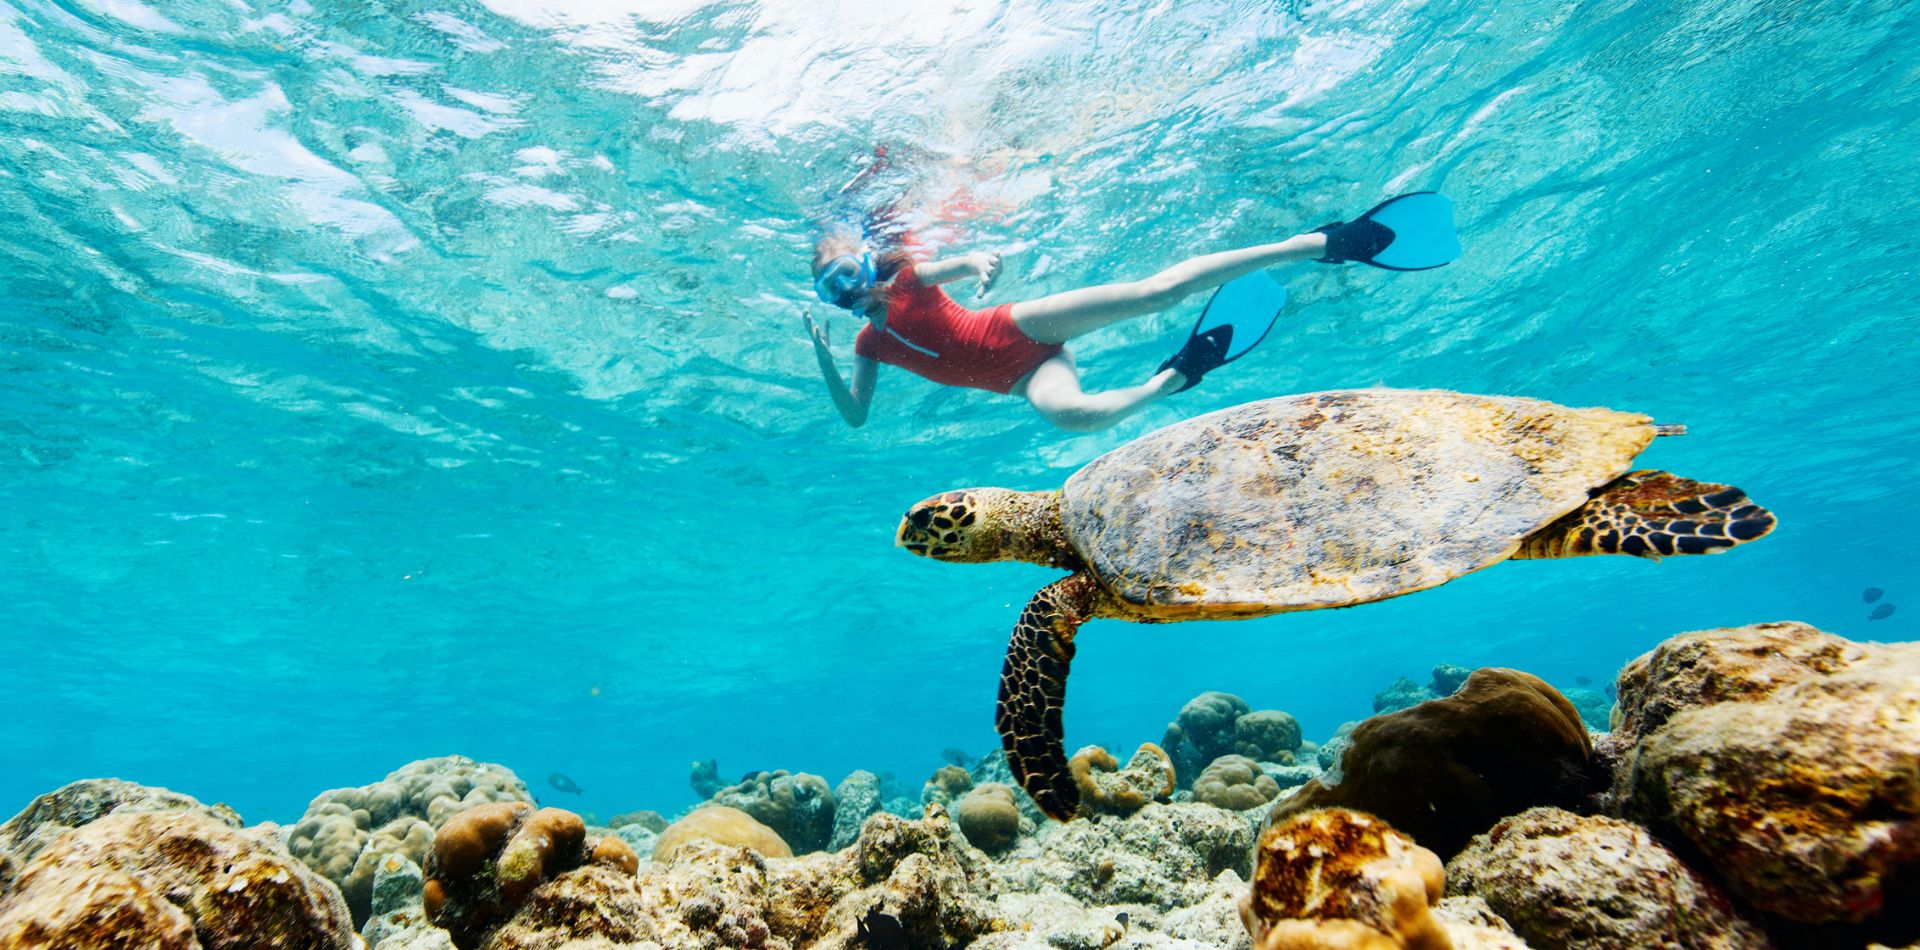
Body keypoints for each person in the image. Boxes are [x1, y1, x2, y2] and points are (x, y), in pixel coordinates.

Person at [804, 192, 1458, 431]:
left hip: (1022, 326)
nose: (854, 293)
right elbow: (856, 418)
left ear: (870, 268)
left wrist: (979, 265)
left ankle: (1321, 244)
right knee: (1073, 419)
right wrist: (825, 358)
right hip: (1025, 378)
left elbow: (963, 264)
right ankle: (1177, 374)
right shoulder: (866, 348)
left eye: (851, 276)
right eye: (837, 291)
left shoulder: (913, 282)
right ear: (833, 303)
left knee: (1156, 293)